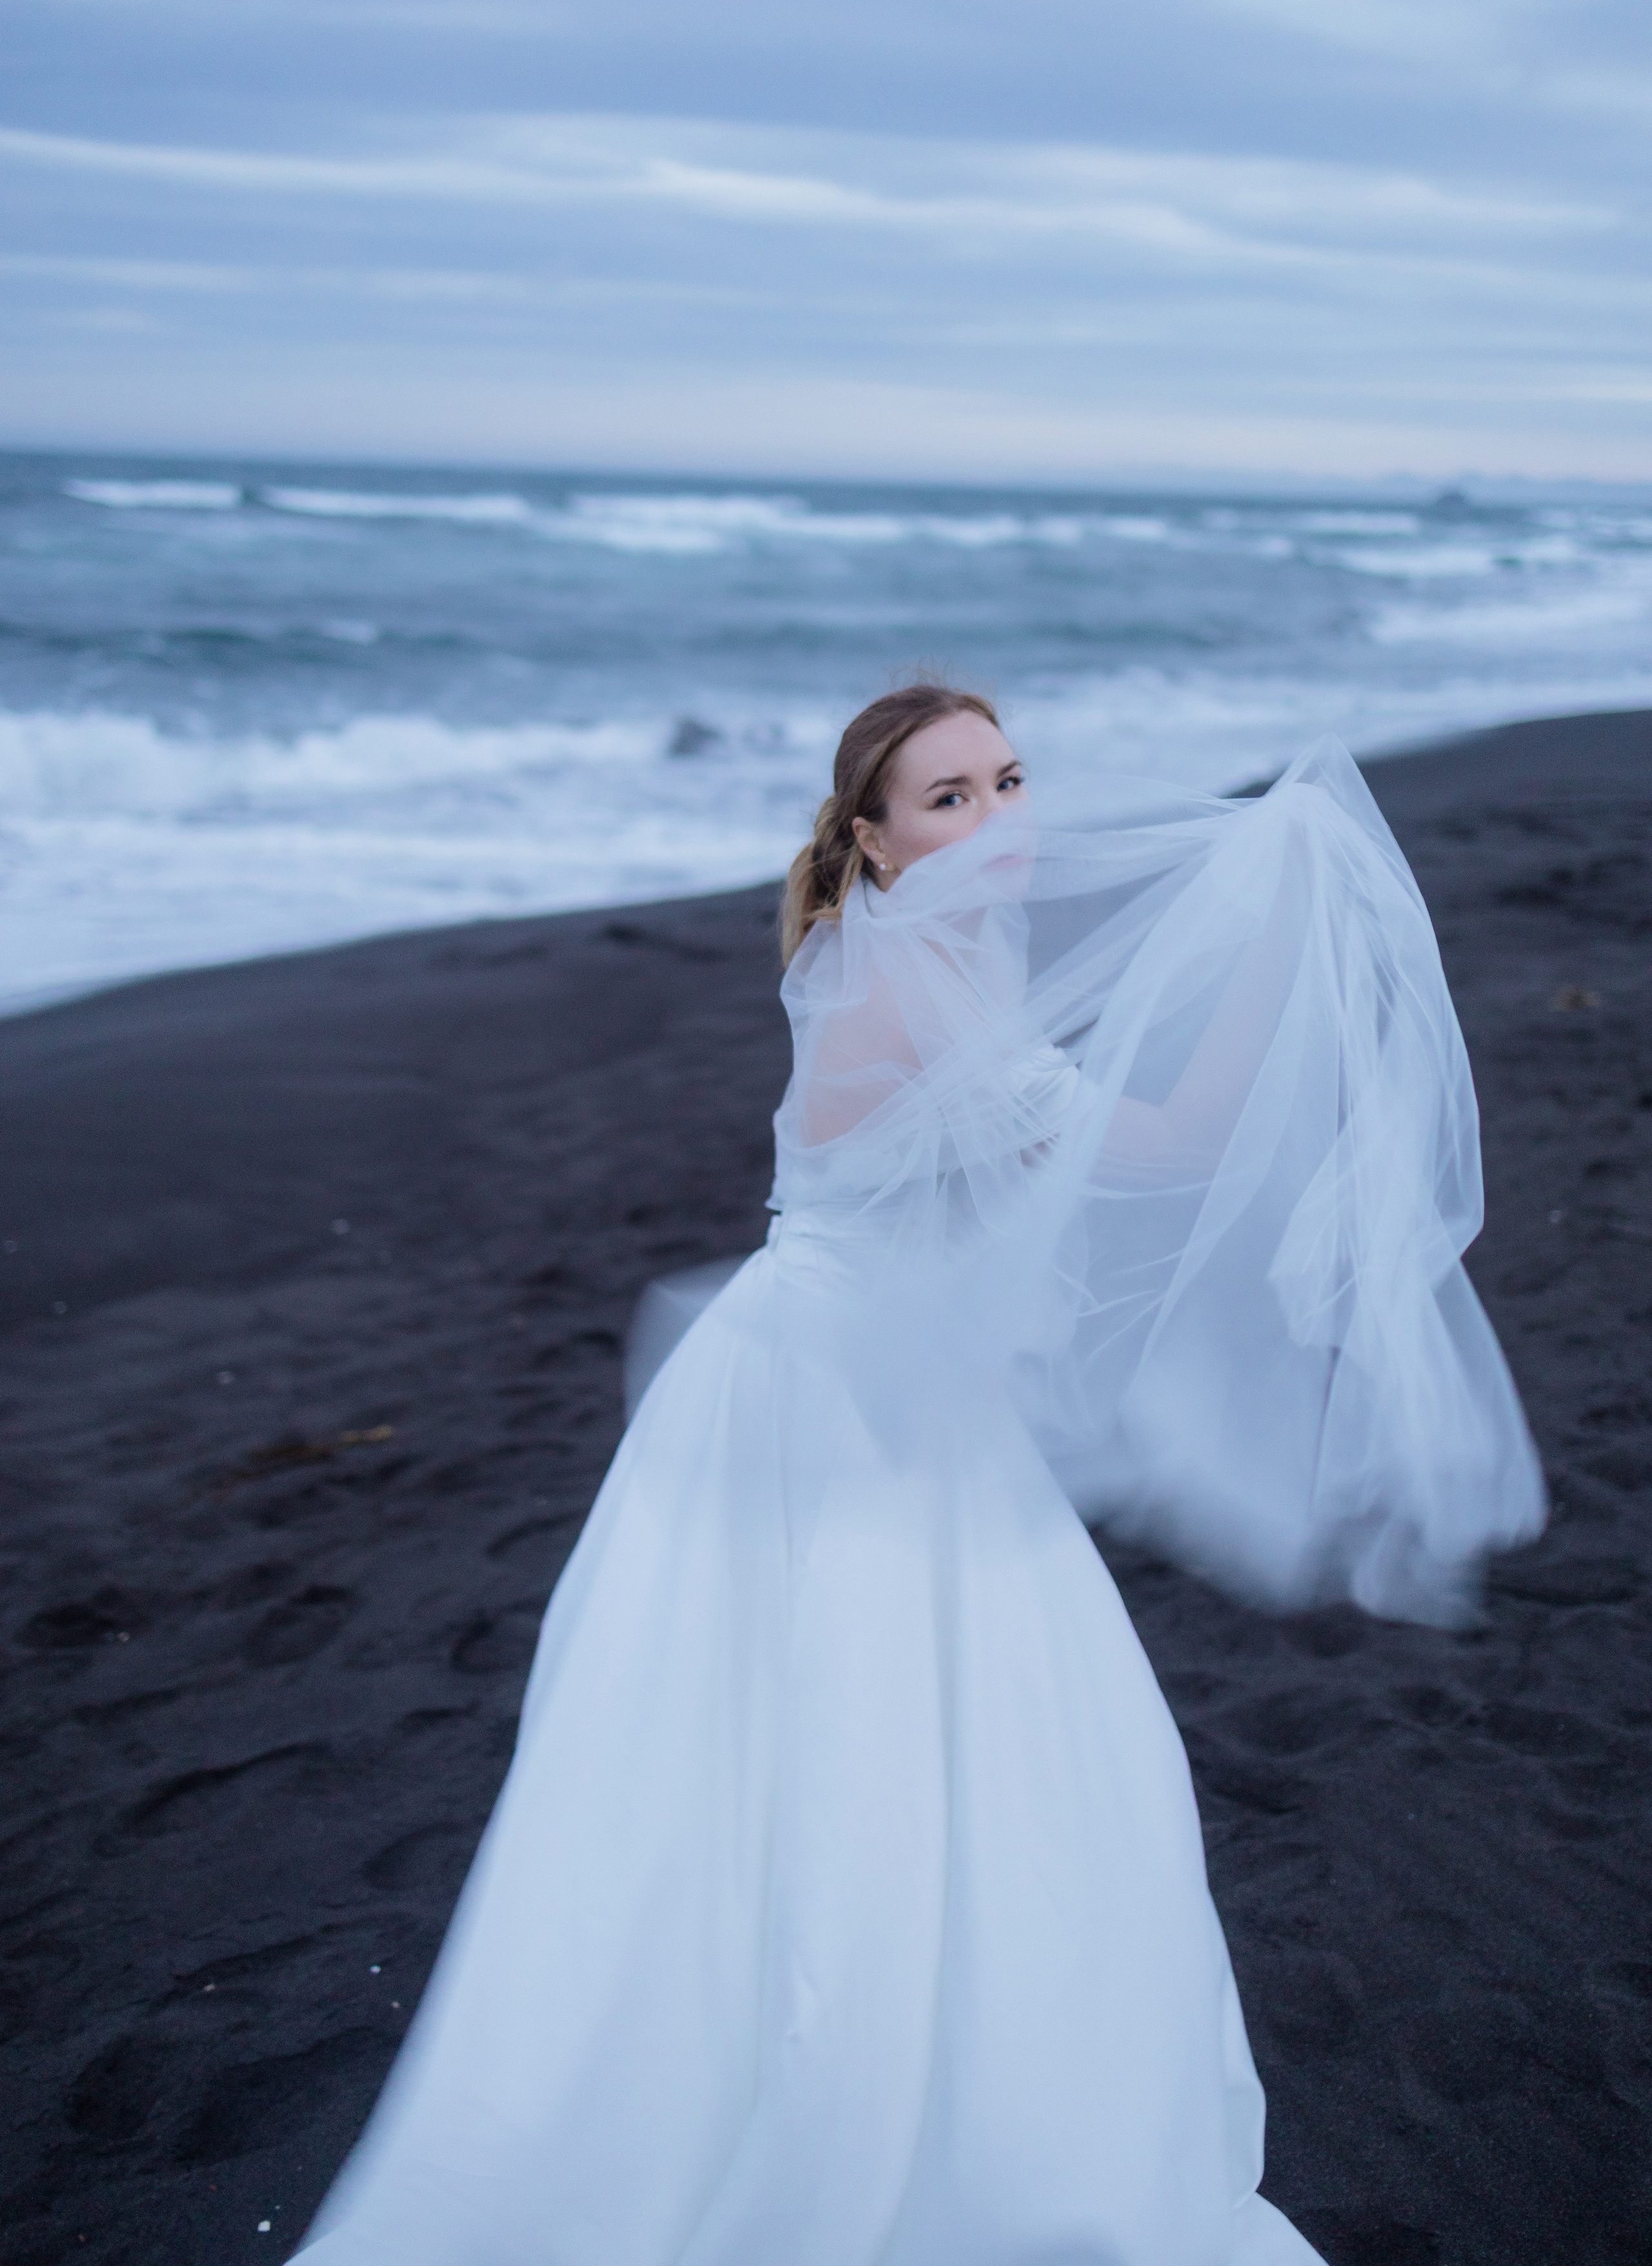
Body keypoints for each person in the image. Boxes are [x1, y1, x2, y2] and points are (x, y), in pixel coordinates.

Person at [296, 683, 1544, 2266]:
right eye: (947, 797)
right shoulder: (900, 990)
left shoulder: (924, 961)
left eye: (1010, 780)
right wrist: (1283, 932)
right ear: (875, 845)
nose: (996, 818)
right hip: (833, 1416)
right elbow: (1154, 1148)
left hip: (872, 1393)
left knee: (947, 1764)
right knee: (853, 1769)